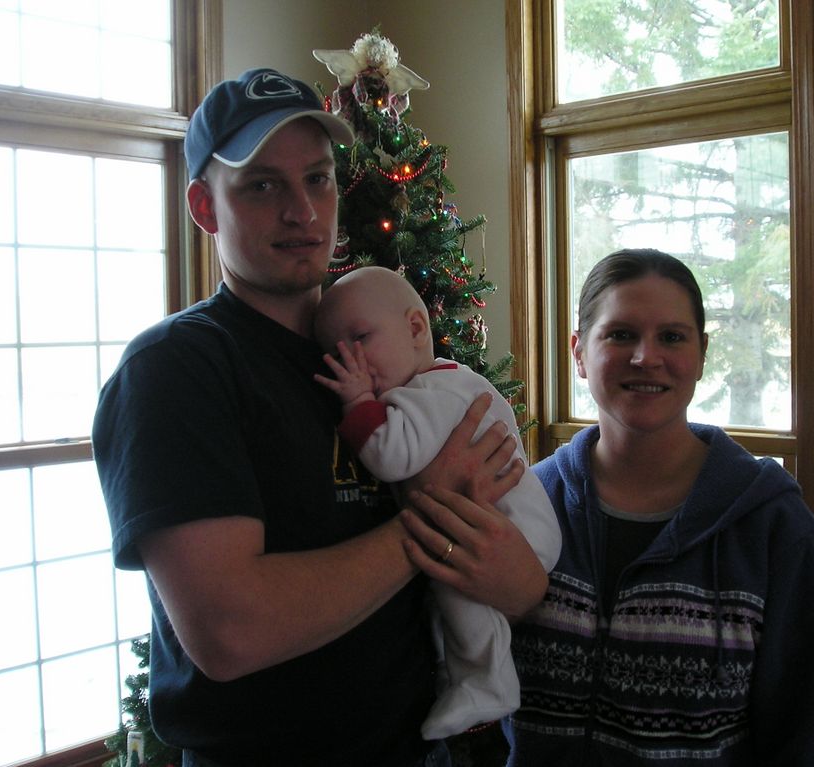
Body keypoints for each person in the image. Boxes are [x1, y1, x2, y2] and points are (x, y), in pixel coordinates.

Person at [92, 67, 548, 767]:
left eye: (319, 179)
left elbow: (521, 588)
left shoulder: (380, 352)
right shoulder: (177, 371)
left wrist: (504, 562)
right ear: (205, 207)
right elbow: (229, 631)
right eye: (263, 185)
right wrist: (428, 519)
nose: (303, 211)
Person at [504, 249, 814, 766]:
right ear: (578, 352)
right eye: (620, 334)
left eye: (672, 336)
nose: (646, 357)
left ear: (702, 352)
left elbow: (812, 736)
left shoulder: (776, 530)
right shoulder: (527, 505)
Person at [312, 265, 562, 739]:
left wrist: (359, 402)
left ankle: (486, 682)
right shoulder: (446, 380)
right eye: (336, 354)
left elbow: (392, 454)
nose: (353, 363)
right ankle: (458, 676)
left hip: (513, 534)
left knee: (448, 571)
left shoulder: (433, 391)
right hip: (512, 524)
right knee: (442, 588)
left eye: (361, 338)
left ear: (415, 327)